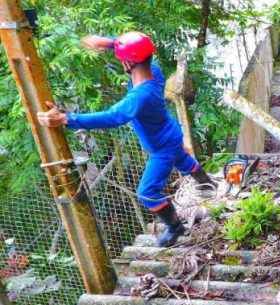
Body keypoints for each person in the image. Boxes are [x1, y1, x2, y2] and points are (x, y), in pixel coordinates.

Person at [36, 32, 214, 247]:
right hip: (172, 134)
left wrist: (67, 118)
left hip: (161, 148)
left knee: (147, 193)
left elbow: (114, 116)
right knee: (184, 161)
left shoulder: (140, 96)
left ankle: (175, 227)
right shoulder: (154, 73)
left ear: (128, 62)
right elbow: (140, 52)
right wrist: (112, 44)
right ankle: (208, 185)